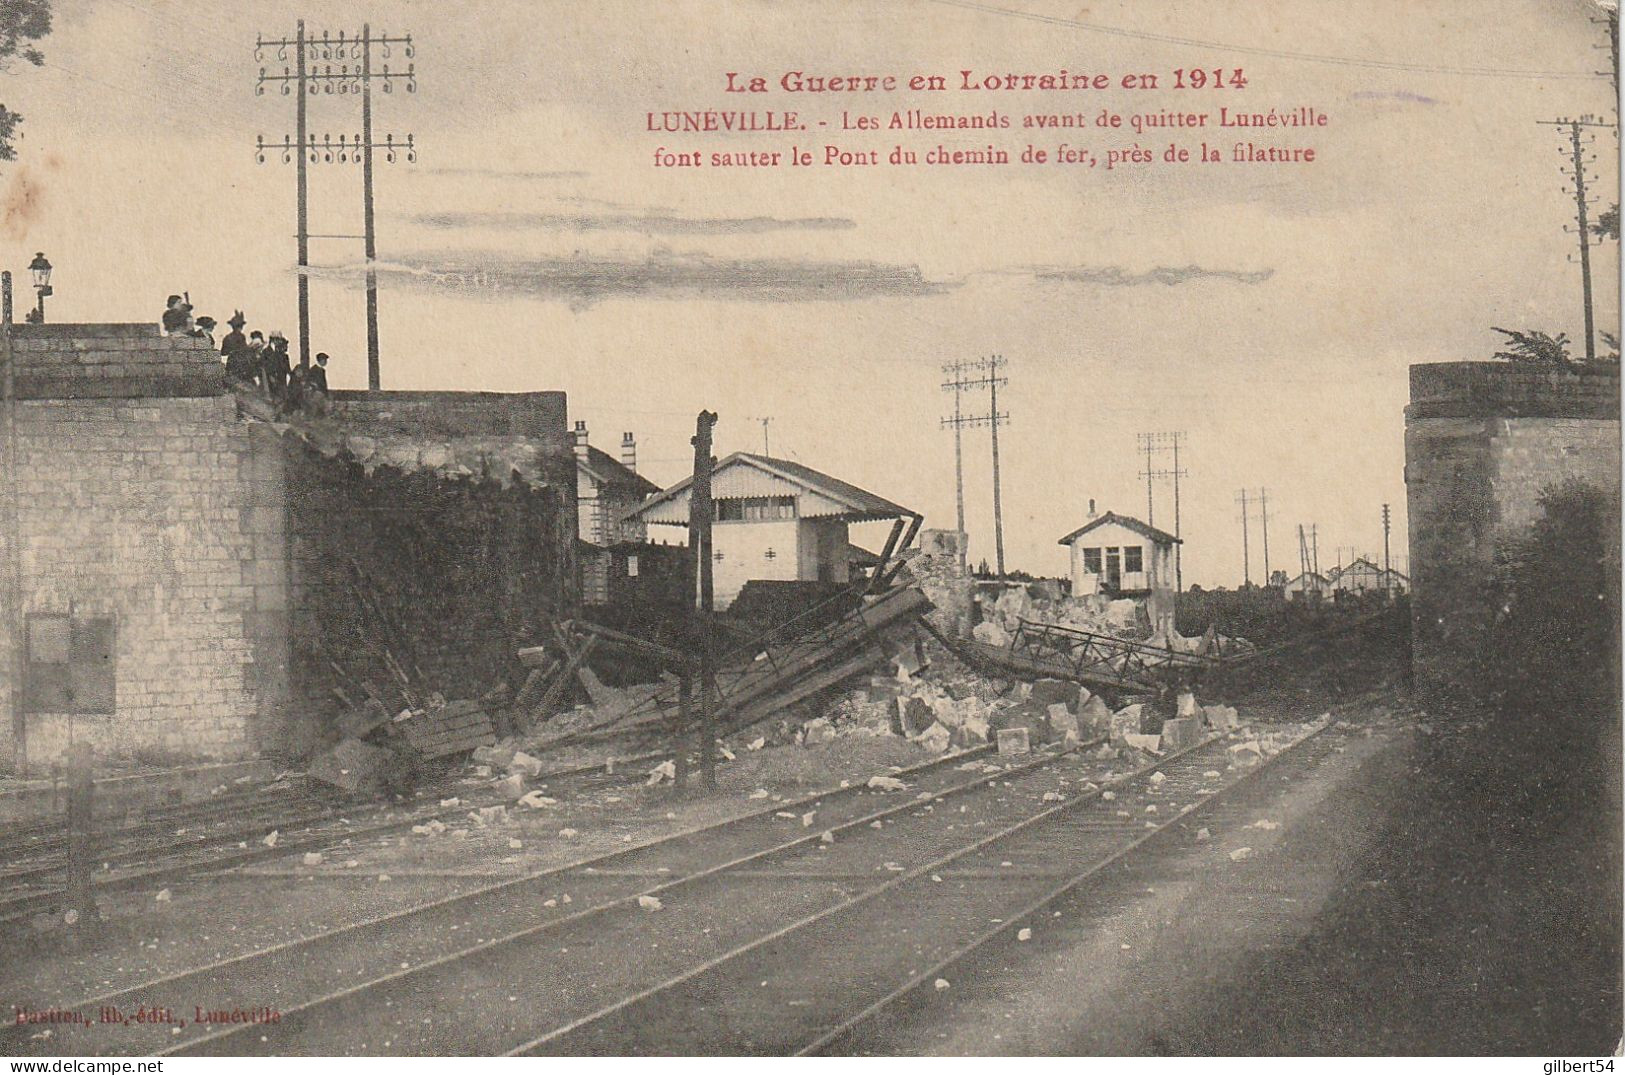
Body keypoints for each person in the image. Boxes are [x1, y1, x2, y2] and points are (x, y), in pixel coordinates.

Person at [261, 330, 291, 400]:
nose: (279, 342)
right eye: (278, 339)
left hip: (280, 380)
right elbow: (265, 366)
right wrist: (270, 375)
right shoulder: (266, 352)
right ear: (273, 339)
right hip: (270, 380)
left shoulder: (280, 352)